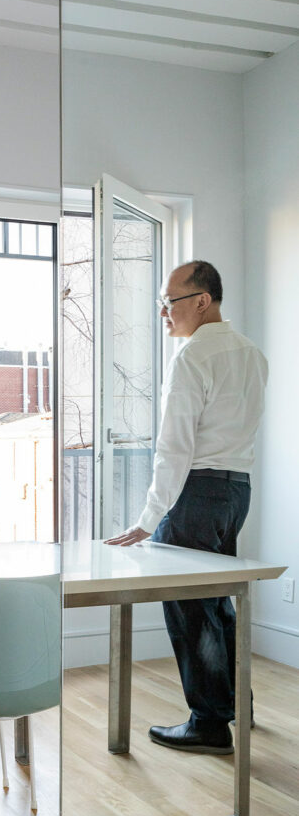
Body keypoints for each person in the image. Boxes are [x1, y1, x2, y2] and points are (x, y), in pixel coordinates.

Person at [106, 261, 267, 755]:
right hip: (236, 490)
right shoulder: (252, 353)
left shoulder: (193, 356)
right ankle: (237, 703)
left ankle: (209, 723)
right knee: (216, 600)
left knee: (191, 608)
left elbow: (174, 447)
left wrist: (149, 519)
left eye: (169, 302)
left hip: (196, 494)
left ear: (202, 300)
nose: (162, 313)